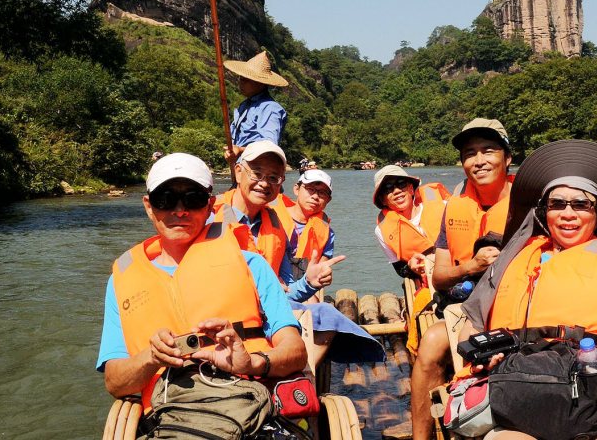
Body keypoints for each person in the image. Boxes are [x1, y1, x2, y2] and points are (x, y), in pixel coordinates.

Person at [459, 140, 597, 440]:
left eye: (581, 204)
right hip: (519, 388)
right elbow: (471, 326)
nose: (568, 213)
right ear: (544, 212)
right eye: (557, 204)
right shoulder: (512, 261)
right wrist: (481, 356)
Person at [96, 153, 307, 434]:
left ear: (209, 205)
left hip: (248, 406)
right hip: (167, 418)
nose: (180, 210)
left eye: (193, 199)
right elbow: (115, 382)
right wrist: (151, 358)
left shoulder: (252, 264)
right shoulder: (121, 280)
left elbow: (296, 351)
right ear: (149, 206)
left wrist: (253, 363)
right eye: (165, 199)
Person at [214, 140, 385, 366]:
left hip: (269, 313)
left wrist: (309, 283)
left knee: (325, 312)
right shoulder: (211, 218)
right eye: (257, 173)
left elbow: (285, 292)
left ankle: (302, 372)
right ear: (238, 172)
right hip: (227, 316)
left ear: (281, 183)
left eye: (273, 178)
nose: (264, 183)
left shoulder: (275, 225)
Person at [411, 118, 515, 440]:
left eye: (488, 150)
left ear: (507, 158)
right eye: (470, 153)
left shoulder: (528, 203)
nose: (479, 160)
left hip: (515, 307)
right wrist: (471, 265)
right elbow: (441, 277)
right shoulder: (454, 207)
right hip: (465, 306)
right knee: (431, 343)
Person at [372, 164, 451, 283]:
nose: (397, 191)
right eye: (388, 188)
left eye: (401, 183)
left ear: (411, 189)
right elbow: (400, 270)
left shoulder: (445, 207)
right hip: (430, 281)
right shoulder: (381, 231)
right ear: (383, 200)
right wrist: (410, 267)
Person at [269, 168, 337, 284]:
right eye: (310, 189)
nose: (315, 196)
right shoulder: (270, 215)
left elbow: (322, 266)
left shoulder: (327, 233)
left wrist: (323, 275)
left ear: (328, 200)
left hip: (302, 285)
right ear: (297, 189)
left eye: (322, 193)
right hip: (269, 282)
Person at [224, 50, 289, 166]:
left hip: (257, 171)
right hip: (241, 168)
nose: (240, 82)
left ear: (260, 83)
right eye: (241, 78)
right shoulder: (244, 106)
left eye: (246, 79)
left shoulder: (270, 109)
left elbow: (269, 148)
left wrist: (240, 150)